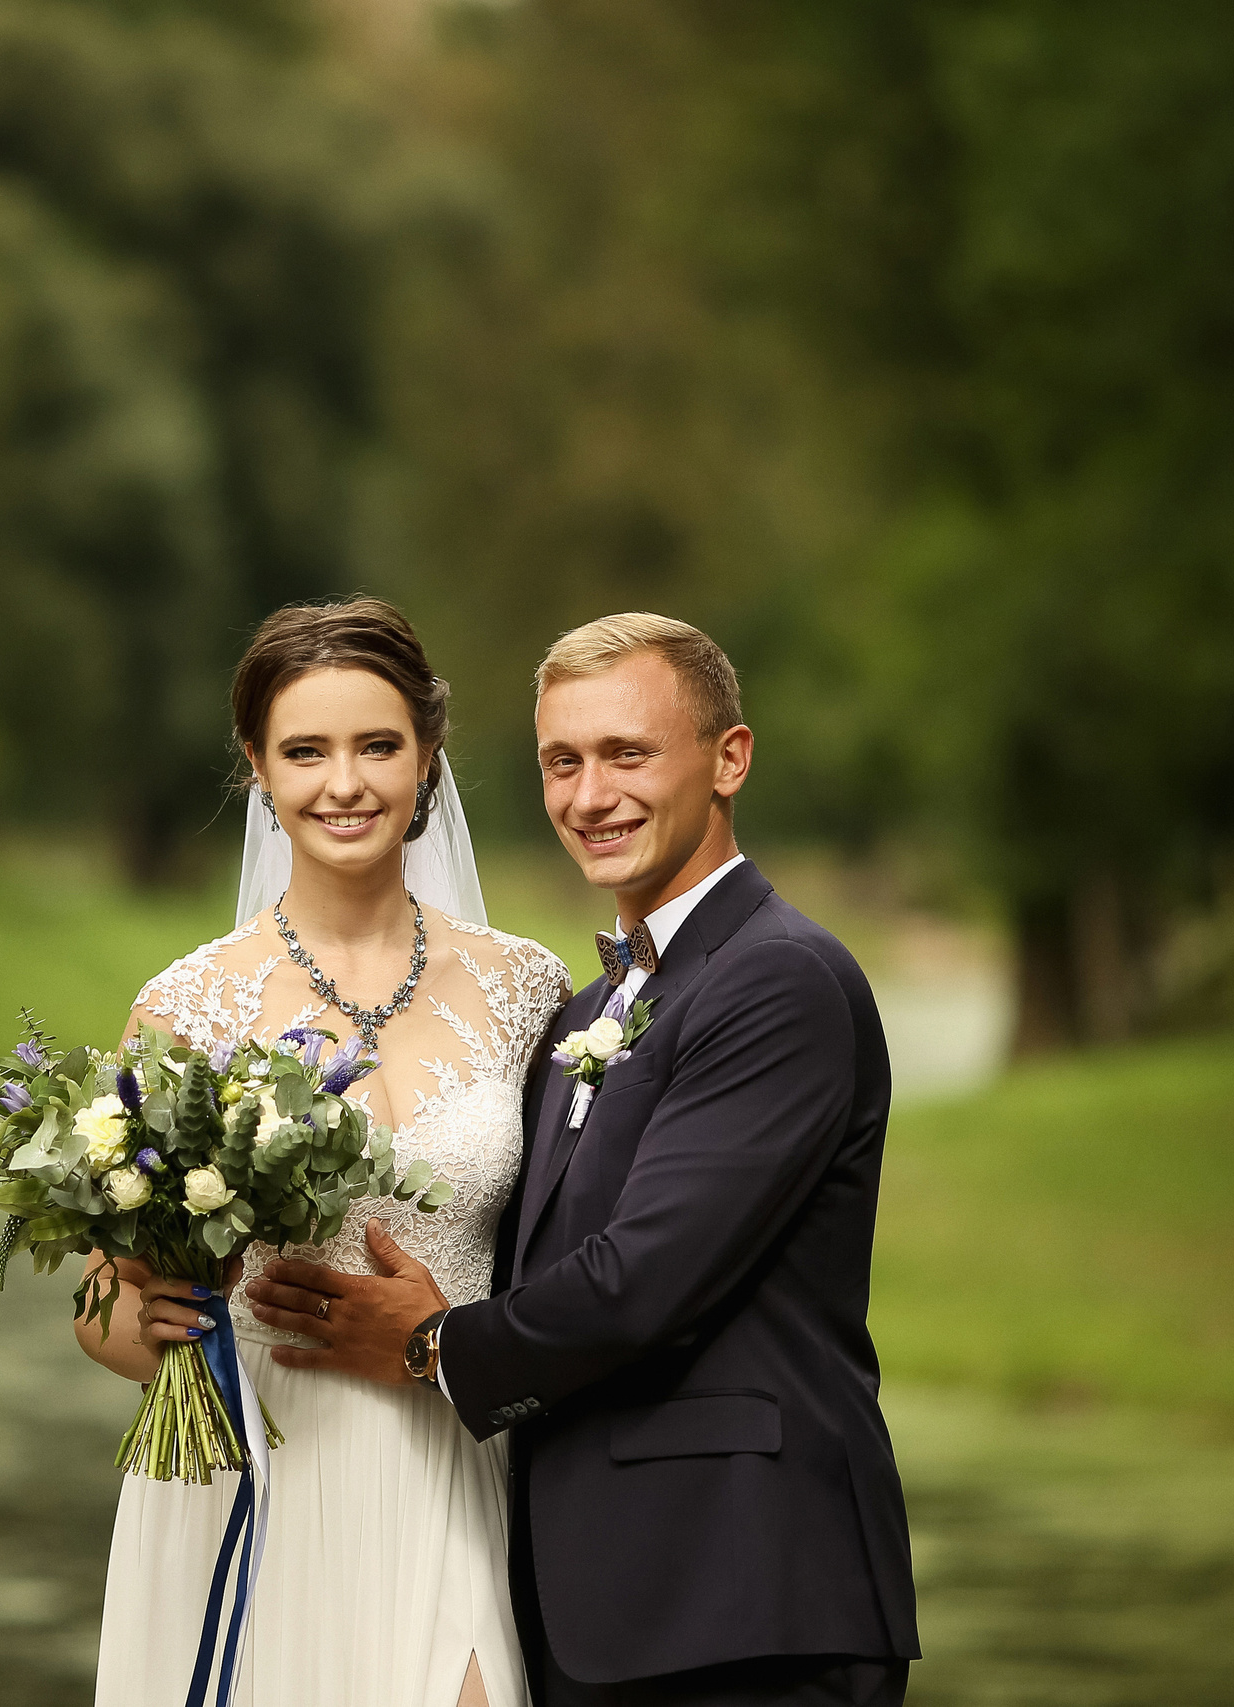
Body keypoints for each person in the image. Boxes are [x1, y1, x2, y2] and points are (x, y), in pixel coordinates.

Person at [247, 613, 923, 1706]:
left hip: (745, 1604)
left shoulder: (779, 979)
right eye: (562, 762)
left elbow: (641, 1283)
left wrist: (429, 1343)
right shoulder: (594, 1005)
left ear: (728, 760)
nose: (589, 796)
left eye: (627, 755)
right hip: (599, 1604)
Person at [82, 597, 572, 1707]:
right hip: (256, 1467)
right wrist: (147, 1325)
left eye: (376, 746)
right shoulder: (185, 1010)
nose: (341, 783)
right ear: (256, 767)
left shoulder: (530, 989)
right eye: (305, 751)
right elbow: (101, 1310)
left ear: (427, 757)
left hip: (453, 1455)